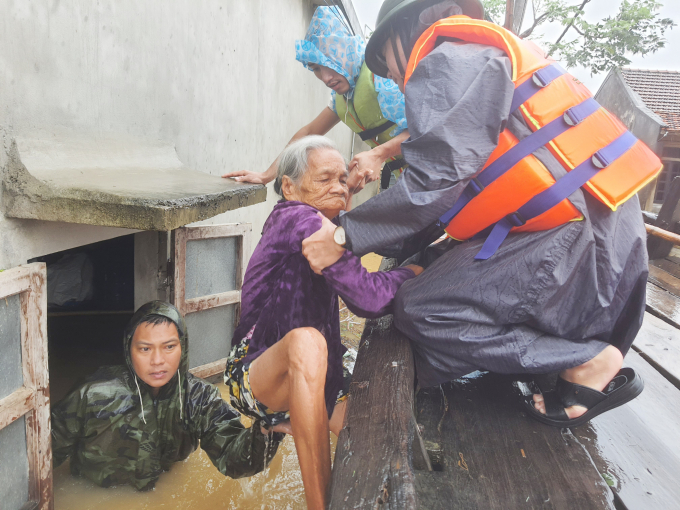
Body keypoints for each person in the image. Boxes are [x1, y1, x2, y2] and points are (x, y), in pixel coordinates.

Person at [301, 0, 661, 429]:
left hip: (580, 256)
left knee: (419, 308)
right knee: (430, 270)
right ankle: (560, 353)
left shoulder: (446, 56)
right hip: (614, 253)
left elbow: (435, 180)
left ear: (412, 26)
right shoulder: (486, 53)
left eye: (387, 63)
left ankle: (582, 361)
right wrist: (383, 242)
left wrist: (343, 236)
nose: (395, 79)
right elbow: (454, 197)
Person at [223, 135, 422, 510]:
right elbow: (368, 297)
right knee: (308, 342)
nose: (339, 188)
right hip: (253, 375)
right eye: (324, 179)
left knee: (369, 431)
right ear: (288, 187)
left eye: (343, 180)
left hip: (318, 375)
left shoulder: (327, 224)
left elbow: (361, 234)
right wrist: (414, 271)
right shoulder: (297, 218)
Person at [51, 301, 276, 491]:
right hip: (96, 493)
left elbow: (235, 460)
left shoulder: (199, 398)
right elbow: (44, 457)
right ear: (129, 350)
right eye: (145, 349)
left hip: (161, 484)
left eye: (169, 347)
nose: (157, 360)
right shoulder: (92, 395)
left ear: (183, 347)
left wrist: (267, 426)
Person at [223, 6, 410, 193]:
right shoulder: (343, 99)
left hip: (434, 174)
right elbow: (309, 132)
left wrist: (378, 155)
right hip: (408, 179)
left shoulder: (383, 77)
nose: (326, 77)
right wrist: (267, 175)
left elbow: (428, 129)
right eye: (316, 68)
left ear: (346, 50)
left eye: (330, 62)